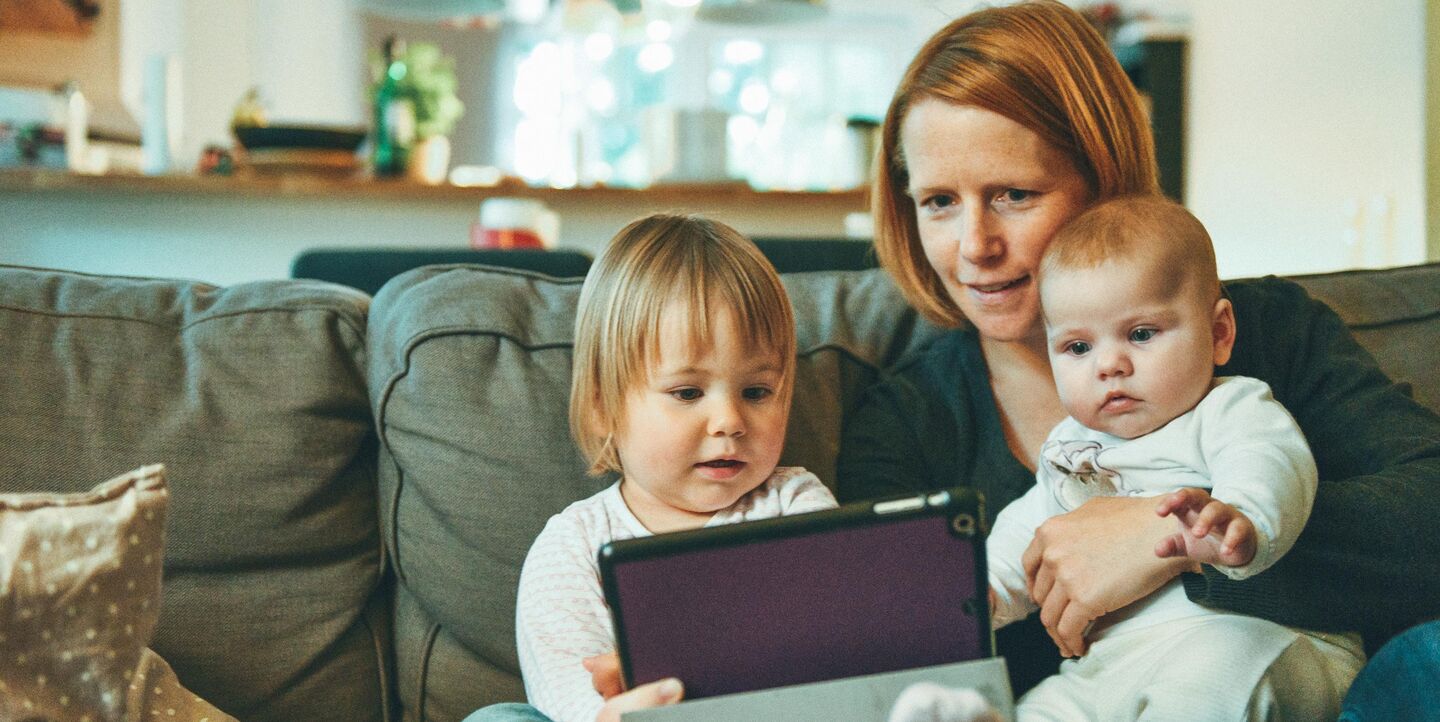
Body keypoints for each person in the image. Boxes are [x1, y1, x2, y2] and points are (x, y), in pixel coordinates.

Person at [836, 0, 1440, 710]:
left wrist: (1164, 539)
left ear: (1104, 178)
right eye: (939, 202)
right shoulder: (906, 422)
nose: (975, 246)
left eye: (1014, 194)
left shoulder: (1263, 333)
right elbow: (897, 636)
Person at [982, 194, 1364, 719]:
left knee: (1210, 683)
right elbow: (1031, 528)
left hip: (1251, 638)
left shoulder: (1229, 407)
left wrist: (1241, 519)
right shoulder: (1068, 446)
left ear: (1218, 333)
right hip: (1113, 662)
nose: (1109, 365)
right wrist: (983, 592)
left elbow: (1269, 462)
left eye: (1141, 334)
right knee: (1047, 705)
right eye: (1077, 348)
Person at [467, 213, 838, 722]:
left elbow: (831, 652)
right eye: (687, 392)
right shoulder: (572, 546)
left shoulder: (795, 505)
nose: (729, 421)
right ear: (603, 407)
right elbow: (571, 703)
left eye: (756, 392)